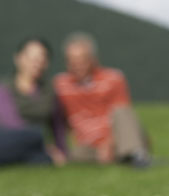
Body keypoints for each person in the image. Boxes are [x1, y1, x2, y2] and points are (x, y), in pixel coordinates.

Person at [54, 32, 150, 167]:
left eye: (82, 60)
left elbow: (123, 116)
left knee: (122, 111)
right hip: (88, 145)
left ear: (93, 59)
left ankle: (136, 154)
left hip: (117, 137)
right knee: (75, 154)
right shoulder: (60, 84)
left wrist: (109, 143)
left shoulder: (114, 78)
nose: (77, 65)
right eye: (72, 61)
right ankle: (126, 156)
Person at [0, 37, 67, 166]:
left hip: (35, 147)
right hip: (8, 138)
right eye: (31, 58)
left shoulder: (50, 92)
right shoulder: (4, 89)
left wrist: (62, 151)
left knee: (42, 160)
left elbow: (57, 126)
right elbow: (11, 123)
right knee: (35, 136)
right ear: (18, 58)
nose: (37, 63)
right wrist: (42, 142)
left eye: (41, 59)